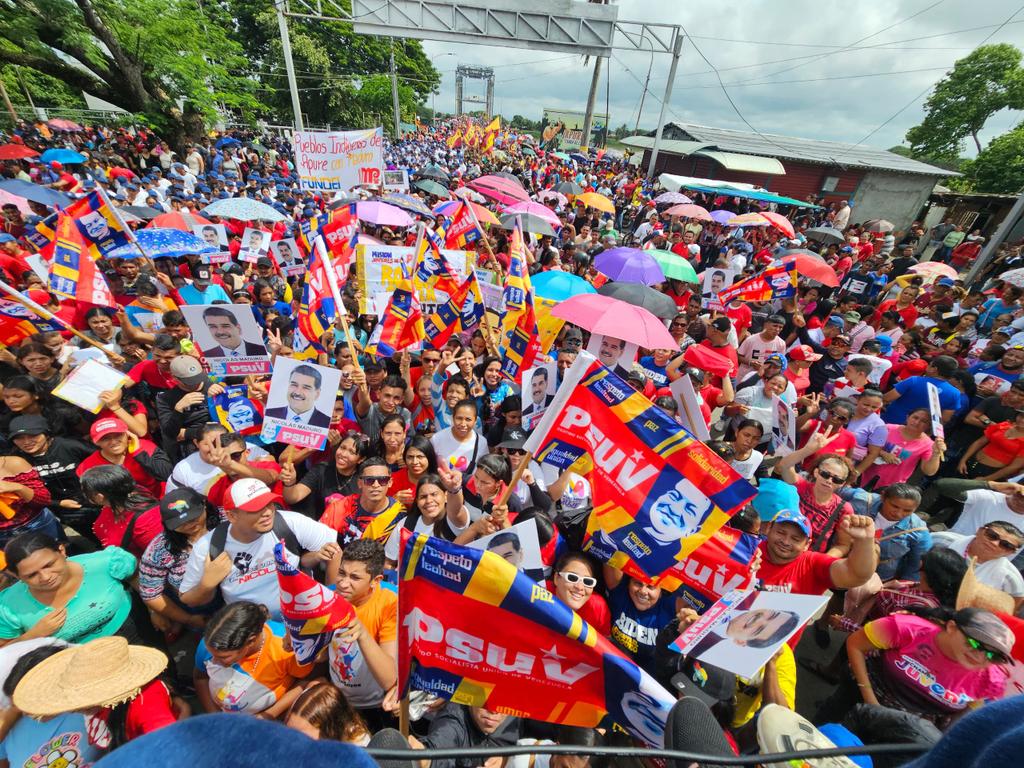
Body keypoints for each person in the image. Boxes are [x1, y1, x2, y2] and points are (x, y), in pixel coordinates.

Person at [178, 478, 339, 618]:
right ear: (232, 516)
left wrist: (333, 600)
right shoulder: (208, 546)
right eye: (255, 508)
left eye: (269, 504)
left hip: (304, 616)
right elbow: (187, 599)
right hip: (255, 632)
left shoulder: (291, 523)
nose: (267, 512)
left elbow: (335, 549)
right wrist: (206, 585)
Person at [833, 607, 1012, 730]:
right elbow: (855, 644)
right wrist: (871, 702)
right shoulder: (907, 627)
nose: (979, 656)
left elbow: (964, 714)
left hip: (907, 731)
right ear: (951, 627)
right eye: (974, 643)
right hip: (858, 700)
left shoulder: (992, 680)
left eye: (993, 656)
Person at [0, 532, 138, 644]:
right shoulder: (8, 605)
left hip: (133, 635)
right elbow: (5, 650)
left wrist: (153, 610)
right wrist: (34, 635)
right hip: (71, 663)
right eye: (31, 575)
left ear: (61, 551)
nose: (45, 577)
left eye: (48, 565)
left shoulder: (106, 562)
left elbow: (135, 577)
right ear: (16, 575)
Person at [326, 540, 399, 731]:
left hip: (377, 709)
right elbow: (319, 656)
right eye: (341, 573)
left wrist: (363, 634)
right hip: (339, 702)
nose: (342, 583)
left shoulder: (390, 604)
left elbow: (389, 679)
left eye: (354, 577)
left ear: (375, 580)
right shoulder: (328, 598)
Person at [194, 600, 313, 717]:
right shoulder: (209, 644)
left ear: (250, 641)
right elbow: (200, 677)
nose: (213, 662)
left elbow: (307, 679)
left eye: (223, 657)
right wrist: (216, 717)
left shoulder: (286, 648)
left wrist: (269, 714)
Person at [139, 487, 217, 634]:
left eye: (193, 518)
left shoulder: (227, 523)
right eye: (180, 524)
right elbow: (151, 593)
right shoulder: (158, 550)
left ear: (204, 505)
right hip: (201, 609)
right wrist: (189, 618)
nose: (189, 525)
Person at [931, 523, 1024, 608]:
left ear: (1011, 552)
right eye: (992, 535)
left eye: (1006, 545)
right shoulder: (940, 539)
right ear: (979, 531)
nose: (994, 543)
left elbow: (1011, 608)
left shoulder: (1011, 578)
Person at [79, 464, 163, 557]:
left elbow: (160, 557)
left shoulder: (147, 522)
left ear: (99, 497)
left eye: (86, 492)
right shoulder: (113, 502)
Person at [413, 702, 522, 768]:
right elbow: (440, 746)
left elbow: (537, 749)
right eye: (487, 698)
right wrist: (422, 757)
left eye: (505, 701)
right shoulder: (453, 720)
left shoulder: (520, 715)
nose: (494, 710)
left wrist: (509, 761)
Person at [860, 408, 944, 489]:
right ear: (908, 417)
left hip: (890, 486)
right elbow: (865, 443)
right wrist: (883, 453)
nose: (917, 422)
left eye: (924, 421)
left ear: (929, 426)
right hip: (863, 473)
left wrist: (936, 454)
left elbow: (929, 471)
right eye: (915, 417)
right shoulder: (888, 428)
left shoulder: (928, 445)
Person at [285, 682, 371, 744]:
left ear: (330, 729)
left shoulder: (358, 751)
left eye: (301, 736)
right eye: (289, 731)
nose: (292, 741)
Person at [265, 364, 332, 428]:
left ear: (317, 394)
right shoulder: (269, 414)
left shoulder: (326, 424)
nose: (297, 392)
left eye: (306, 387)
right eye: (294, 385)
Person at [199, 305, 264, 358]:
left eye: (225, 326)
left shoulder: (261, 351)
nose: (220, 332)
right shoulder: (207, 356)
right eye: (213, 326)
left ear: (238, 328)